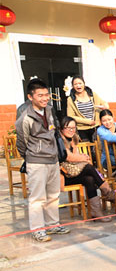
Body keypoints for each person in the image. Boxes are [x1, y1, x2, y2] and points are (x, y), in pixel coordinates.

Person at [15, 79, 71, 242]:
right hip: (36, 162)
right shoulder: (25, 118)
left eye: (46, 94)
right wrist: (32, 157)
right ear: (30, 97)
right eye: (40, 95)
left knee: (53, 195)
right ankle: (38, 229)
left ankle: (53, 224)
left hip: (53, 160)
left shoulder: (50, 110)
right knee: (37, 197)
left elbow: (54, 133)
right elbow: (22, 143)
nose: (45, 98)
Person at [59, 117, 115, 222]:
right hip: (64, 176)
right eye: (68, 128)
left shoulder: (73, 139)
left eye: (73, 128)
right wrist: (83, 158)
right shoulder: (59, 141)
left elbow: (75, 157)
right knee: (89, 167)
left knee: (89, 179)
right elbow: (68, 157)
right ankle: (108, 192)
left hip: (73, 172)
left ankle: (96, 212)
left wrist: (82, 156)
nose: (71, 130)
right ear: (62, 129)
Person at [66, 76, 107, 142]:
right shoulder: (70, 99)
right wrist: (87, 121)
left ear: (84, 84)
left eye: (80, 83)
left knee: (98, 148)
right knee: (86, 150)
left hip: (95, 127)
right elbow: (70, 116)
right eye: (75, 84)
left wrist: (105, 106)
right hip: (81, 130)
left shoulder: (92, 94)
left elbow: (104, 103)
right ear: (72, 86)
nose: (78, 86)